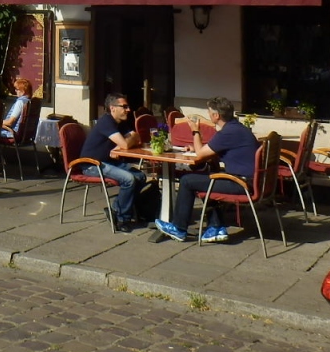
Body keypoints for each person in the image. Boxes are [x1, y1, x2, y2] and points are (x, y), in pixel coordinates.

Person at [156, 96, 260, 243]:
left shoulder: (228, 133)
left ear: (216, 115)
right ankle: (216, 227)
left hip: (241, 184)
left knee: (187, 181)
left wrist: (195, 131)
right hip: (249, 181)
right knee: (207, 178)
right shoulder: (237, 129)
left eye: (210, 112)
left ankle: (179, 228)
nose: (209, 115)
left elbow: (200, 155)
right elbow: (210, 150)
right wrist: (196, 148)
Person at [78, 93, 147, 233]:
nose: (128, 110)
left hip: (108, 162)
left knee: (140, 176)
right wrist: (126, 141)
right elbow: (126, 144)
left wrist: (127, 141)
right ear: (112, 108)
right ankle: (122, 219)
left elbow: (136, 137)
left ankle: (115, 209)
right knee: (129, 179)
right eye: (124, 107)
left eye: (128, 106)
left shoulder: (121, 122)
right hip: (92, 165)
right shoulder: (106, 122)